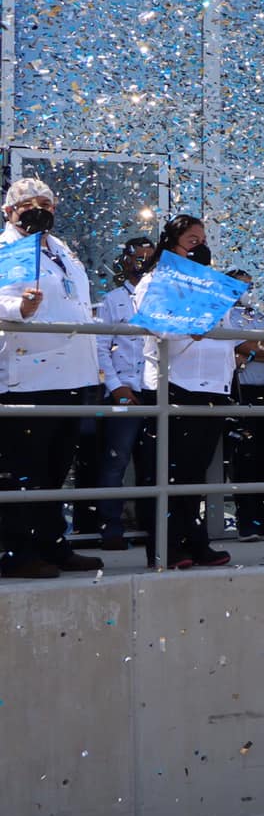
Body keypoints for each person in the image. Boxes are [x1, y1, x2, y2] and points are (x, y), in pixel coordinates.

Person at [0, 177, 106, 578]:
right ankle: (17, 551)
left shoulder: (63, 250)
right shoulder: (3, 248)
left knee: (57, 468)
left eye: (45, 202)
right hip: (28, 374)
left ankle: (52, 542)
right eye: (27, 203)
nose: (37, 208)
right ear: (9, 211)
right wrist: (17, 308)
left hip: (73, 371)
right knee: (24, 470)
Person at [129, 215, 235, 569]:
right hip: (174, 383)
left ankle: (194, 539)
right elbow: (154, 323)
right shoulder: (154, 279)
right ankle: (165, 545)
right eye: (192, 239)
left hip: (210, 385)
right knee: (166, 471)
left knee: (194, 472)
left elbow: (225, 328)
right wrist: (191, 325)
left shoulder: (209, 284)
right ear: (173, 242)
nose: (198, 246)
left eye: (202, 239)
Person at [90, 236, 157, 551]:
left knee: (153, 464)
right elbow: (99, 350)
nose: (143, 263)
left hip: (155, 391)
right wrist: (115, 386)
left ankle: (151, 526)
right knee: (116, 462)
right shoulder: (112, 300)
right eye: (138, 257)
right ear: (126, 260)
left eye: (149, 257)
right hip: (124, 392)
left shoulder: (160, 299)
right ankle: (111, 528)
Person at [223, 269, 264, 541]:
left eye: (249, 286)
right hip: (243, 392)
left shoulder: (260, 317)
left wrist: (251, 351)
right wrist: (257, 349)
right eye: (239, 286)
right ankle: (247, 522)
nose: (245, 291)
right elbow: (254, 347)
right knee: (245, 458)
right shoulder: (225, 316)